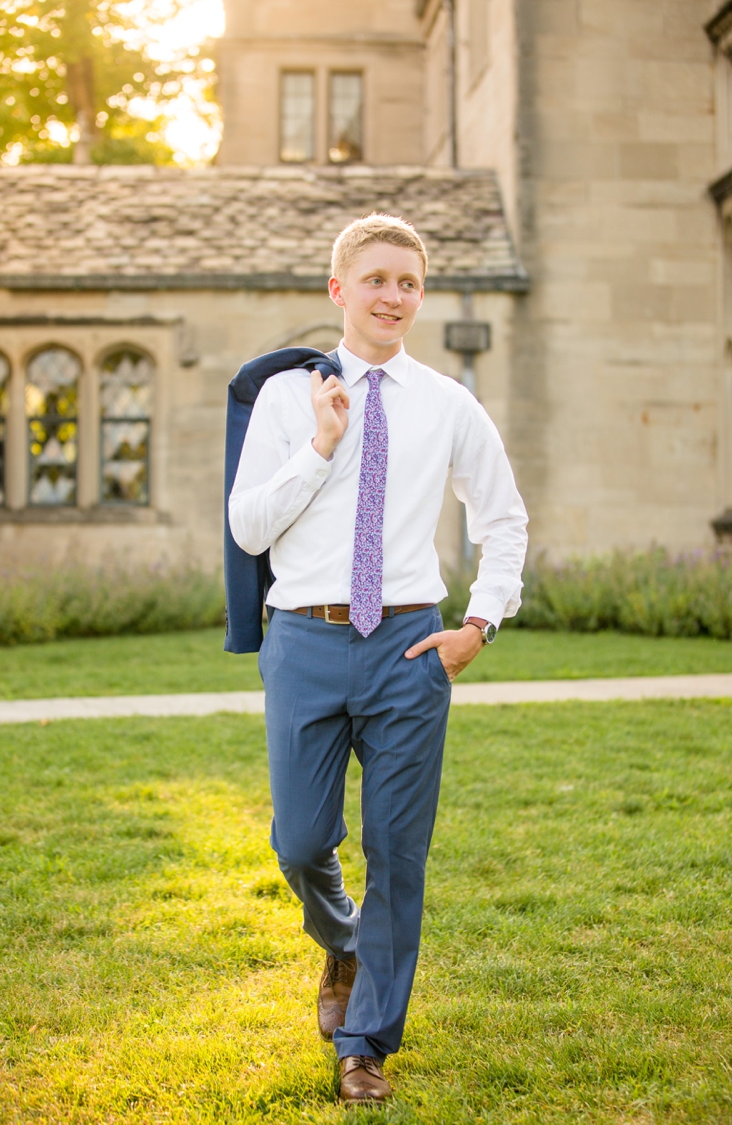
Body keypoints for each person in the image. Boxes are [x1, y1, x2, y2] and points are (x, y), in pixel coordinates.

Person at [229, 213, 528, 1105]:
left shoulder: (447, 402)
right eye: (376, 280)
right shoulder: (288, 398)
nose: (393, 296)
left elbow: (503, 518)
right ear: (339, 290)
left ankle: (365, 1042)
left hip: (410, 644)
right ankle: (344, 942)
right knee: (299, 840)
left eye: (408, 282)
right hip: (307, 640)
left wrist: (480, 623)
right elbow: (248, 527)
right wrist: (322, 445)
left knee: (400, 853)